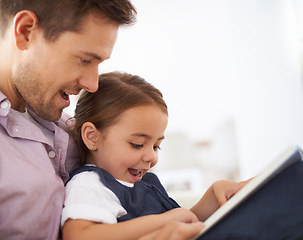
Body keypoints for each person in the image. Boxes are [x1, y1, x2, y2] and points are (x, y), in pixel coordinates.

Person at [0, 1, 136, 239]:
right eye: (85, 60)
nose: (93, 85)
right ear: (26, 31)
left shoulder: (68, 126)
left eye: (98, 63)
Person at [61, 71, 249, 240]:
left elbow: (183, 224)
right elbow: (79, 235)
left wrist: (214, 197)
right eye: (137, 145)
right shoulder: (90, 184)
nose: (151, 156)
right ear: (92, 136)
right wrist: (162, 222)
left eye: (157, 146)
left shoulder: (145, 183)